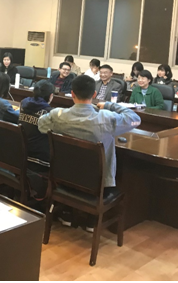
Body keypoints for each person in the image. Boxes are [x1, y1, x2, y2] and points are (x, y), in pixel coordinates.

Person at [38, 75, 141, 230]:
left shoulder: (58, 115)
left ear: (72, 93)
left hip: (65, 176)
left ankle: (67, 212)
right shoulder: (106, 118)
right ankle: (92, 220)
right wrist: (109, 105)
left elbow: (41, 125)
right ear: (94, 94)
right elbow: (135, 119)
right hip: (98, 183)